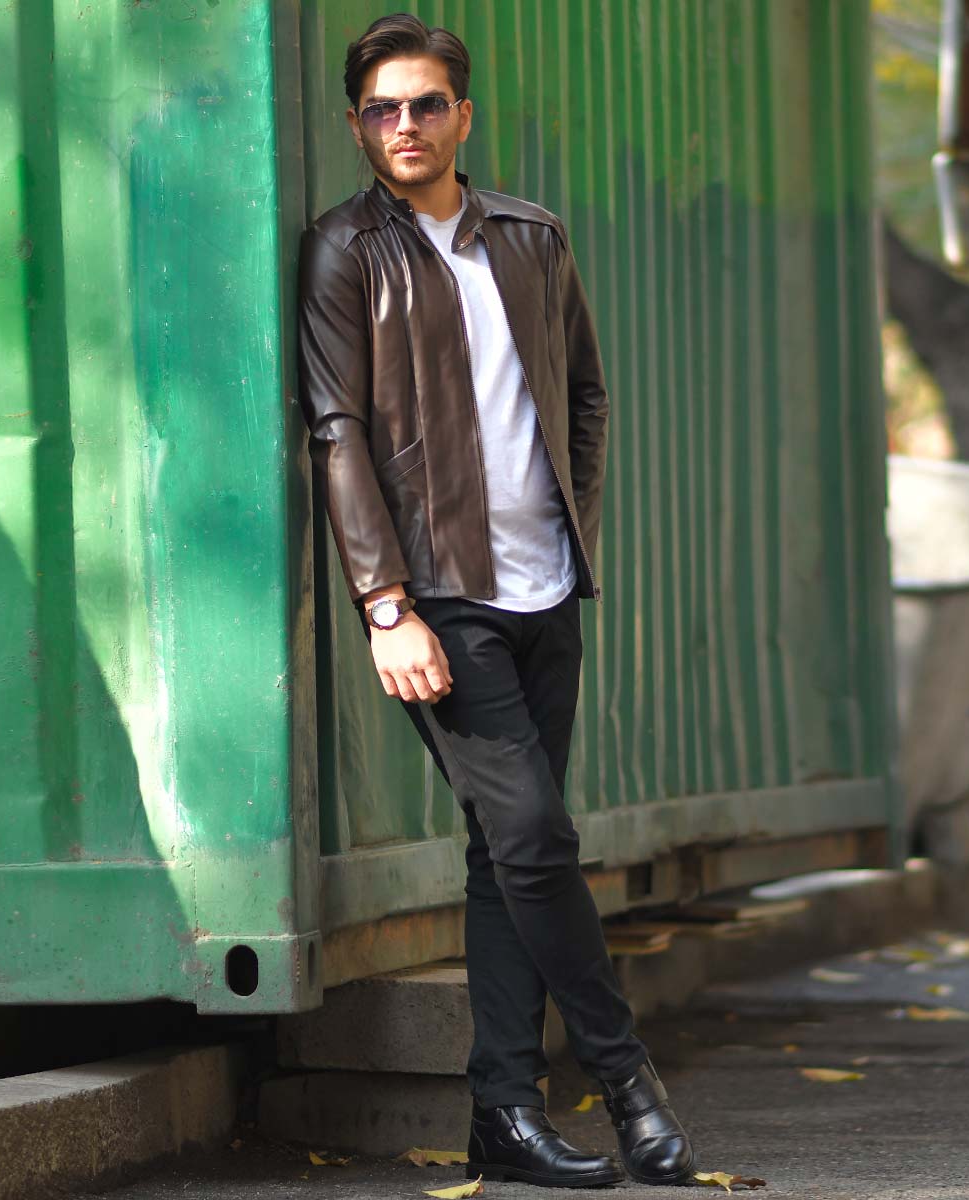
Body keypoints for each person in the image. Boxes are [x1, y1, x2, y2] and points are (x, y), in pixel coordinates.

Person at [296, 12, 696, 1189]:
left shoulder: (531, 235)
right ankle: (627, 1082)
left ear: (462, 115)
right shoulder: (343, 251)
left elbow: (587, 396)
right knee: (535, 837)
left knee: (505, 858)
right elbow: (336, 431)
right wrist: (385, 602)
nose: (404, 125)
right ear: (357, 125)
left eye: (425, 104)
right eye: (381, 109)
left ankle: (504, 1114)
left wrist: (575, 535)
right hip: (441, 597)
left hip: (546, 589)